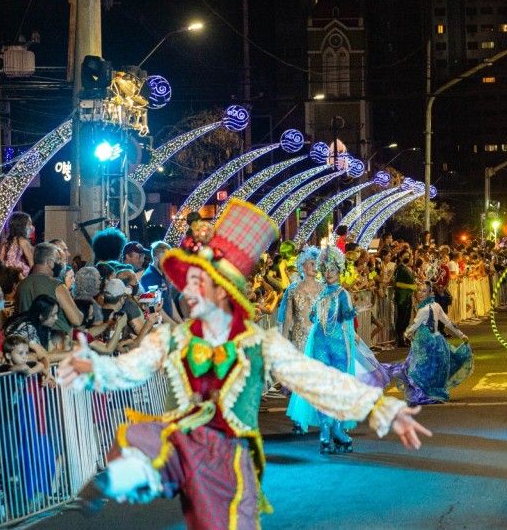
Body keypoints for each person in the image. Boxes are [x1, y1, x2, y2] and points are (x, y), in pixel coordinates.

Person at [57, 200, 431, 526]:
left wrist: (380, 406)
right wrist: (92, 367)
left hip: (232, 464)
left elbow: (318, 380)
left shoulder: (260, 345)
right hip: (188, 445)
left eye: (195, 282)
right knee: (165, 440)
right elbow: (129, 368)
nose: (185, 291)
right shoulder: (174, 338)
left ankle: (131, 475)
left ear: (221, 291)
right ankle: (125, 476)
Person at [286, 245, 389, 452]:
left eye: (332, 269)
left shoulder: (342, 294)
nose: (328, 273)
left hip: (339, 346)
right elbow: (314, 317)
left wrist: (355, 311)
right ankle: (325, 430)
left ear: (339, 271)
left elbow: (344, 316)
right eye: (326, 269)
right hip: (320, 345)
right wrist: (317, 314)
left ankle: (339, 429)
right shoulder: (322, 294)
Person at [389, 281, 472, 405]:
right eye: (419, 290)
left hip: (425, 345)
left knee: (417, 370)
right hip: (438, 343)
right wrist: (461, 335)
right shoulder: (436, 306)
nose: (420, 293)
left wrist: (407, 334)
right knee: (434, 370)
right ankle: (433, 393)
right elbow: (448, 322)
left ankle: (423, 395)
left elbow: (413, 326)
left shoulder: (423, 309)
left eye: (424, 291)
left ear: (430, 293)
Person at [15, 242, 84, 332]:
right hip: (57, 341)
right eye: (58, 260)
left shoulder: (22, 285)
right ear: (50, 263)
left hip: (31, 340)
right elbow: (77, 320)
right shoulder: (57, 286)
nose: (61, 264)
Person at [276, 246, 322, 353]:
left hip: (318, 339)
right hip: (298, 340)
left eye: (317, 264)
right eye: (312, 263)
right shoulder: (293, 290)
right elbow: (288, 317)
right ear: (303, 266)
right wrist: (283, 340)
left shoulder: (324, 289)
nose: (315, 267)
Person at [0, 211, 34, 277]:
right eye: (29, 224)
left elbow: (1, 261)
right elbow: (31, 263)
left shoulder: (7, 242)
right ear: (21, 226)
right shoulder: (23, 241)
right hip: (20, 274)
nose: (32, 227)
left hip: (7, 275)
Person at [393, 252, 416, 347]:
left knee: (406, 319)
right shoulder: (401, 269)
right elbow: (397, 283)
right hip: (402, 297)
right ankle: (400, 339)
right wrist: (411, 286)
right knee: (402, 319)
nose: (408, 259)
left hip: (407, 296)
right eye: (406, 257)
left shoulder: (406, 269)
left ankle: (403, 338)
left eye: (409, 257)